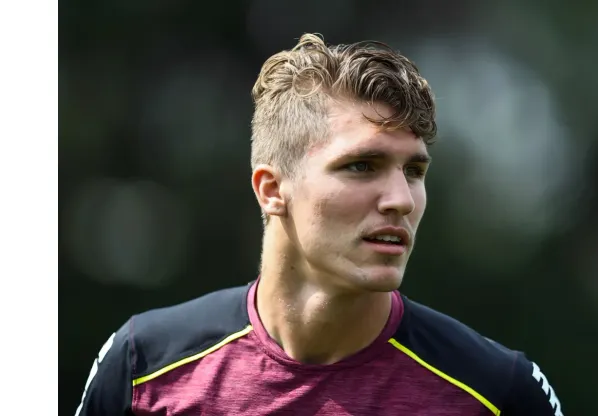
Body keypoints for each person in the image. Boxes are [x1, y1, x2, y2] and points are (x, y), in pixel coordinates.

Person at [75, 33, 564, 416]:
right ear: (271, 189)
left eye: (414, 171)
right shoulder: (143, 369)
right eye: (361, 166)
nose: (400, 200)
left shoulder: (498, 393)